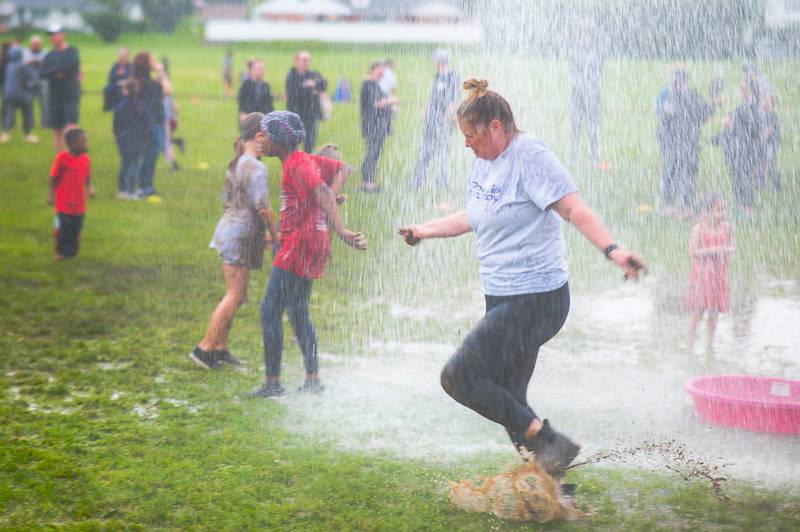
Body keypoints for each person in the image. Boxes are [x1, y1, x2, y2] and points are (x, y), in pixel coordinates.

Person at [399, 79, 645, 477]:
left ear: (496, 127)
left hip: (537, 299)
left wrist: (613, 250)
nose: (466, 144)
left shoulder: (531, 157)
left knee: (458, 376)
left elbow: (573, 209)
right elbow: (475, 216)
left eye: (471, 135)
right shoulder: (484, 160)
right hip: (501, 297)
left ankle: (552, 443)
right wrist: (425, 230)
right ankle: (557, 495)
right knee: (511, 401)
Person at [251, 111, 367, 398]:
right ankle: (312, 379)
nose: (260, 139)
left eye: (264, 134)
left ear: (278, 139)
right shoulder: (303, 160)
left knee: (270, 311)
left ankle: (273, 383)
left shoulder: (296, 164)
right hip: (309, 241)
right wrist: (320, 210)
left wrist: (340, 227)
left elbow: (323, 192)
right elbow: (340, 171)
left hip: (299, 245)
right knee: (298, 310)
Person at [189, 113, 279, 370]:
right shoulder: (257, 167)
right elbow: (262, 208)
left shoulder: (239, 161)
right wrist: (274, 235)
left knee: (237, 295)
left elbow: (232, 200)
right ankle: (204, 348)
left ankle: (220, 347)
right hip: (240, 235)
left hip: (232, 230)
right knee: (234, 294)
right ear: (259, 134)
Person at [656, 67, 714, 216]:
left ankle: (670, 206)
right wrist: (713, 103)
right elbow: (706, 114)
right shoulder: (693, 96)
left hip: (676, 143)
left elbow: (663, 119)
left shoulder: (672, 97)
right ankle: (685, 206)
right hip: (690, 142)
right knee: (687, 174)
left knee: (672, 172)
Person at [686, 194, 734, 353]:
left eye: (724, 209)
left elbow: (731, 246)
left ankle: (710, 345)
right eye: (719, 210)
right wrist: (714, 250)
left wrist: (728, 250)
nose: (723, 213)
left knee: (714, 310)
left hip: (719, 275)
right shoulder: (699, 228)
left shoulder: (727, 228)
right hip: (702, 276)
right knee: (699, 310)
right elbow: (692, 252)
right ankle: (689, 343)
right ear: (706, 212)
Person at [410, 48, 460, 190]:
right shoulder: (438, 76)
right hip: (431, 120)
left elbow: (455, 100)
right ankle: (418, 181)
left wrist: (447, 117)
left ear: (439, 61)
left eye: (434, 60)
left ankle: (443, 183)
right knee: (424, 151)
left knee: (442, 152)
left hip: (443, 121)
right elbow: (434, 97)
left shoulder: (453, 77)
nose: (433, 62)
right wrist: (426, 109)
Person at [712, 79, 761, 216]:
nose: (740, 91)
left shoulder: (751, 108)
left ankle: (746, 207)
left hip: (745, 149)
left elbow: (746, 129)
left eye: (742, 88)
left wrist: (730, 124)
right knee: (738, 177)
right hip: (738, 150)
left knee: (744, 178)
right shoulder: (744, 107)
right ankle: (741, 206)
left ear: (749, 90)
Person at [128, 52, 170, 199]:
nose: (155, 61)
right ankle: (144, 187)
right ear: (147, 64)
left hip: (146, 122)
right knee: (150, 155)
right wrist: (161, 72)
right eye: (152, 59)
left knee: (149, 154)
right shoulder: (147, 83)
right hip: (152, 123)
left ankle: (146, 186)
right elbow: (167, 90)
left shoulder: (142, 81)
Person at [47, 127, 94, 260]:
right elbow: (53, 178)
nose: (87, 144)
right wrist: (51, 195)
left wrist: (90, 188)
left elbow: (88, 176)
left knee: (76, 226)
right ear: (72, 144)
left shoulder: (86, 159)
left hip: (79, 202)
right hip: (63, 201)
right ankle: (59, 251)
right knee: (63, 227)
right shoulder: (62, 158)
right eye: (83, 142)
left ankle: (72, 251)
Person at [568, 17, 607, 166]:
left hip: (592, 95)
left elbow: (604, 42)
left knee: (593, 127)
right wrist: (577, 28)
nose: (584, 38)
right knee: (575, 127)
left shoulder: (597, 52)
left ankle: (594, 156)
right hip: (577, 94)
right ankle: (573, 157)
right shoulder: (575, 51)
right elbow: (568, 41)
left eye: (587, 35)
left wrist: (595, 28)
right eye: (582, 36)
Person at [39, 25, 80, 153]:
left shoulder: (72, 51)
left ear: (63, 34)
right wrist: (58, 72)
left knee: (71, 128)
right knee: (57, 129)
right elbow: (42, 73)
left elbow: (71, 65)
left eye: (56, 34)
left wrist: (55, 72)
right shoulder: (50, 55)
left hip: (70, 94)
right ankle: (60, 159)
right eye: (51, 35)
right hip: (54, 96)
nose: (53, 37)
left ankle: (74, 158)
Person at [359, 61, 397, 192]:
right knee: (372, 152)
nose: (382, 73)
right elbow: (375, 103)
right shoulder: (368, 84)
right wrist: (390, 101)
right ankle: (367, 182)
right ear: (373, 70)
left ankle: (369, 181)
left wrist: (390, 109)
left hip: (379, 124)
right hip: (373, 124)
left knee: (375, 153)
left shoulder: (375, 85)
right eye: (380, 70)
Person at [285, 50, 327, 153]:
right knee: (293, 143)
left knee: (310, 142)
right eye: (303, 60)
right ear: (297, 61)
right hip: (296, 114)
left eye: (308, 60)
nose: (306, 62)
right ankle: (293, 165)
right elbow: (294, 93)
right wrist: (308, 87)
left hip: (312, 115)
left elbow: (324, 84)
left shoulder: (313, 74)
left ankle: (307, 165)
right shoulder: (291, 75)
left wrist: (314, 84)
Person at [1, 46, 37, 143]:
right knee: (27, 114)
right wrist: (30, 86)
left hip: (9, 94)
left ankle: (5, 134)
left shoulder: (8, 67)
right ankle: (27, 135)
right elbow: (33, 79)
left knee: (8, 115)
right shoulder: (24, 66)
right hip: (23, 95)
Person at [24, 35, 48, 128]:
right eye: (34, 44)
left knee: (45, 104)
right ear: (30, 44)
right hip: (29, 82)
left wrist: (38, 61)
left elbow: (48, 63)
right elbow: (22, 64)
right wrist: (30, 62)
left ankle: (45, 123)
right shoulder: (25, 53)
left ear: (41, 44)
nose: (36, 45)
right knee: (29, 104)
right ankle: (30, 123)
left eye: (37, 44)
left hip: (43, 82)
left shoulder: (45, 53)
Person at [103, 47, 130, 112]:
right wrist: (118, 75)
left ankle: (122, 107)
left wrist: (124, 74)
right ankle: (108, 107)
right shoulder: (115, 66)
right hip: (115, 84)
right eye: (121, 56)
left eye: (124, 56)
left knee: (123, 89)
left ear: (127, 57)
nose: (122, 57)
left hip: (126, 85)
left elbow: (131, 76)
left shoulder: (130, 65)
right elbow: (110, 77)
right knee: (108, 88)